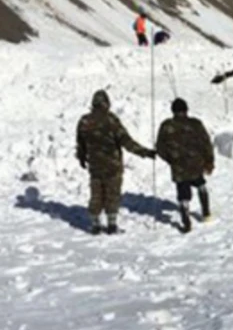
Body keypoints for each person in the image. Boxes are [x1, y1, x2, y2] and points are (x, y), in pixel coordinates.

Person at [75, 90, 156, 235]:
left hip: (95, 166)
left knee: (96, 194)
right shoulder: (111, 120)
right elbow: (126, 141)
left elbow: (80, 144)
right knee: (112, 195)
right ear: (106, 103)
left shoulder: (84, 121)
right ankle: (112, 226)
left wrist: (81, 158)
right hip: (112, 166)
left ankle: (95, 225)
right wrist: (145, 153)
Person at [155, 98, 215, 233]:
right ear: (186, 110)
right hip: (196, 164)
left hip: (178, 167)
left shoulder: (166, 125)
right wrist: (209, 161)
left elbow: (159, 147)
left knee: (183, 194)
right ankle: (206, 213)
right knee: (201, 184)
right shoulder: (196, 123)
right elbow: (206, 143)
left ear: (173, 111)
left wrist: (170, 159)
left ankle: (186, 223)